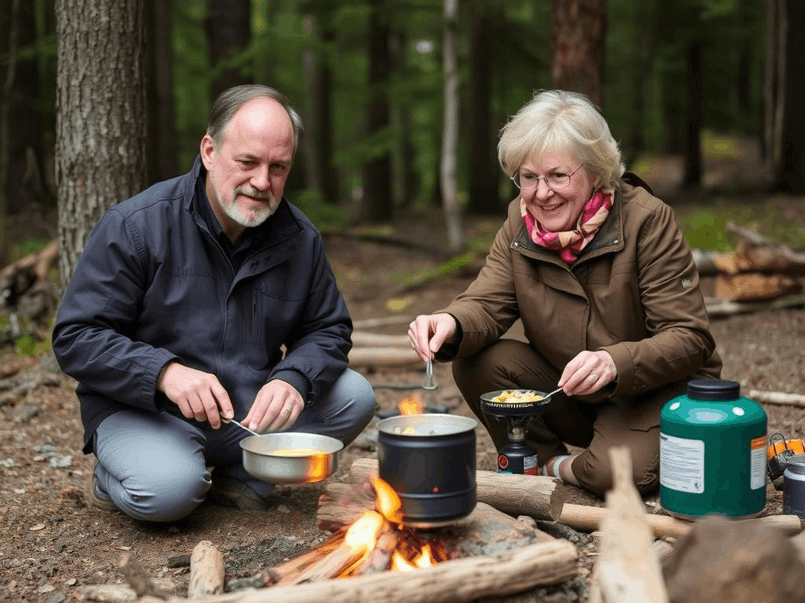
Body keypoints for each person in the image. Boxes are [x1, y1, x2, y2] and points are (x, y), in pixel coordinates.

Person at [52, 84, 376, 521]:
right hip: (144, 410)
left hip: (243, 412)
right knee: (167, 494)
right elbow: (76, 336)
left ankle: (241, 479)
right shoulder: (135, 226)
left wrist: (295, 378)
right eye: (247, 162)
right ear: (209, 151)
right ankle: (115, 476)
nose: (262, 182)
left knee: (353, 395)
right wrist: (164, 373)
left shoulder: (301, 240)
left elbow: (328, 328)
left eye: (278, 167)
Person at [408, 89, 721, 496]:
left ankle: (560, 467)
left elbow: (690, 338)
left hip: (652, 391)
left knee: (613, 475)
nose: (541, 193)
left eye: (558, 176)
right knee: (476, 361)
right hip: (573, 391)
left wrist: (613, 362)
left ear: (595, 172)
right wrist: (450, 322)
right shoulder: (519, 224)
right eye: (528, 177)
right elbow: (486, 301)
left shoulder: (648, 221)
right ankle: (539, 458)